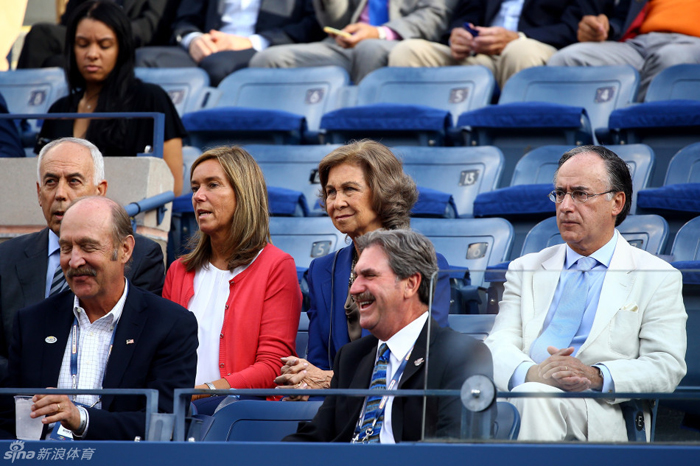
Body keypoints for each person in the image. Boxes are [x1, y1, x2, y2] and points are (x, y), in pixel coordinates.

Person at [484, 145, 687, 441]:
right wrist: (533, 374)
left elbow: (665, 366)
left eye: (580, 194)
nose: (565, 206)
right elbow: (497, 344)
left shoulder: (656, 276)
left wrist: (595, 375)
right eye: (560, 193)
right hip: (527, 390)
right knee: (519, 395)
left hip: (601, 407)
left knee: (533, 398)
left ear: (616, 202)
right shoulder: (526, 267)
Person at [0, 196, 198, 440]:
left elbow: (166, 423)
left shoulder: (170, 325)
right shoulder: (32, 323)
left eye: (88, 246)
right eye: (65, 248)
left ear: (124, 249)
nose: (74, 261)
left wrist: (80, 419)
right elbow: (8, 418)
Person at [274, 140, 450, 399]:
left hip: (398, 407)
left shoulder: (425, 265)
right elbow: (319, 361)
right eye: (331, 192)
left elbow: (417, 362)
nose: (337, 202)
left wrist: (329, 381)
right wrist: (302, 382)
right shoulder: (322, 269)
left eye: (349, 189)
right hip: (334, 411)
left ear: (383, 193)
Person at [284, 229, 493, 442]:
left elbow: (453, 452)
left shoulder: (462, 356)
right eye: (355, 277)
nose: (354, 289)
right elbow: (315, 437)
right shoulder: (351, 357)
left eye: (369, 276)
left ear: (410, 284)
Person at [0, 137, 166, 382]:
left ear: (100, 191)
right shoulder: (6, 257)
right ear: (38, 192)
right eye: (50, 182)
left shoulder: (139, 256)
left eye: (74, 181)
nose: (60, 194)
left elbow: (137, 352)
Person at [163, 146, 301, 410]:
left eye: (212, 185)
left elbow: (273, 366)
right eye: (194, 188)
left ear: (243, 194)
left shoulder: (276, 266)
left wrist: (202, 392)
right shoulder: (178, 270)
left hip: (239, 415)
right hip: (177, 416)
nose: (198, 196)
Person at [36, 0, 187, 196]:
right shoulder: (59, 110)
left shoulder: (152, 100)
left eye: (104, 45)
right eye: (82, 44)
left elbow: (172, 186)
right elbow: (39, 183)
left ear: (122, 49)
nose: (92, 54)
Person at [249, 0, 457, 83]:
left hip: (394, 43)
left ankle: (359, 139)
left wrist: (380, 32)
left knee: (370, 49)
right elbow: (336, 22)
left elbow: (435, 16)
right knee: (268, 59)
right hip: (344, 45)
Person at [388, 0, 581, 89]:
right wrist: (457, 35)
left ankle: (515, 139)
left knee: (520, 51)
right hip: (479, 52)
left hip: (535, 47)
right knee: (408, 51)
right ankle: (420, 140)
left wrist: (519, 37)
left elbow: (576, 27)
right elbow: (466, 13)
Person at [135, 0, 325, 86]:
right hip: (207, 46)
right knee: (143, 59)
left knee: (218, 65)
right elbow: (184, 20)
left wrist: (250, 42)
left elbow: (312, 25)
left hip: (260, 48)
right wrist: (193, 39)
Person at [547, 0, 700, 100]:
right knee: (567, 59)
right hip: (639, 43)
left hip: (691, 43)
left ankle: (626, 134)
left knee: (670, 59)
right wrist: (604, 28)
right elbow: (621, 17)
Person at [17, 0, 178, 70]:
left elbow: (150, 26)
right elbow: (70, 19)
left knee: (44, 37)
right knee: (42, 37)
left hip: (126, 42)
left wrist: (107, 31)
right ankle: (20, 114)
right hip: (85, 37)